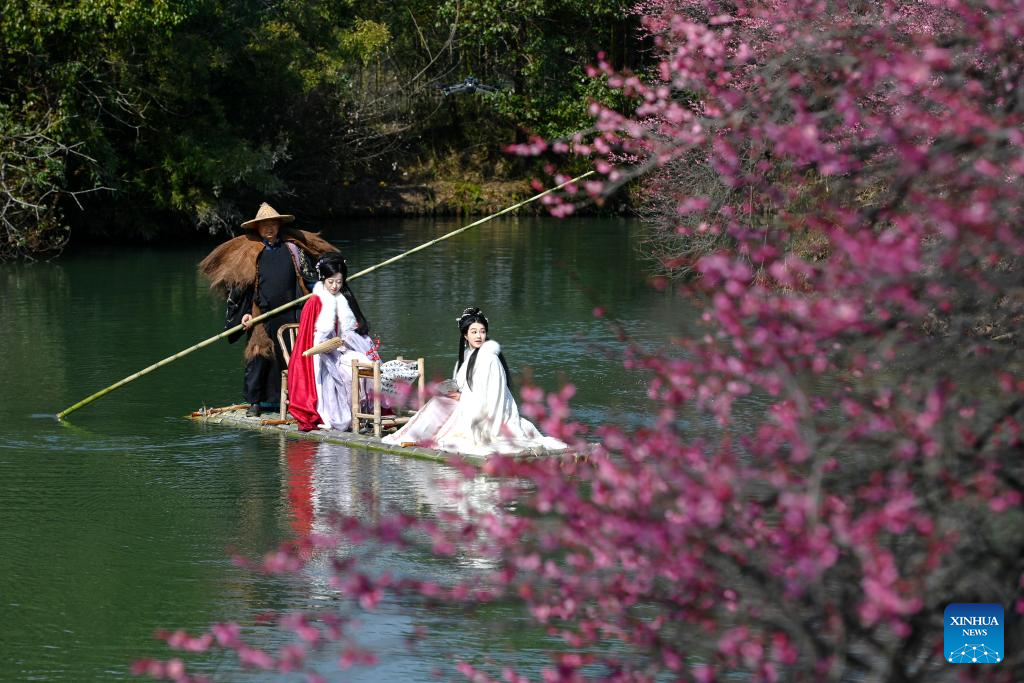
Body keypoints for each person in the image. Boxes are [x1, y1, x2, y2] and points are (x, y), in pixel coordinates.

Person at [199, 202, 335, 417]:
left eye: (273, 224)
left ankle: (294, 400)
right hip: (260, 313)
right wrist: (244, 314)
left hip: (292, 312)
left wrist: (324, 293)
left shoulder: (293, 250)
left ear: (279, 226)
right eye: (264, 226)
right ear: (258, 229)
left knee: (291, 357)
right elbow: (241, 288)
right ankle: (255, 402)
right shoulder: (253, 254)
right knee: (258, 356)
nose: (269, 229)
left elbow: (309, 279)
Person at [382, 307, 568, 455]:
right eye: (474, 332)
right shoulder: (469, 357)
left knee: (440, 405)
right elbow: (463, 385)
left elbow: (492, 397)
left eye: (482, 331)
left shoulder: (490, 358)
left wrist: (460, 398)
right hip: (469, 404)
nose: (479, 336)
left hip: (487, 413)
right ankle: (414, 436)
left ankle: (418, 437)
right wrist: (451, 391)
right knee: (438, 402)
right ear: (465, 336)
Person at [287, 252, 379, 432]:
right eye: (331, 282)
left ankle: (365, 413)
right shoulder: (314, 301)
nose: (335, 286)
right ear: (323, 279)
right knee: (346, 372)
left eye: (339, 281)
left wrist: (348, 340)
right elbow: (309, 338)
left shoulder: (344, 297)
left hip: (341, 349)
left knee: (368, 364)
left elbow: (353, 328)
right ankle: (349, 415)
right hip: (319, 353)